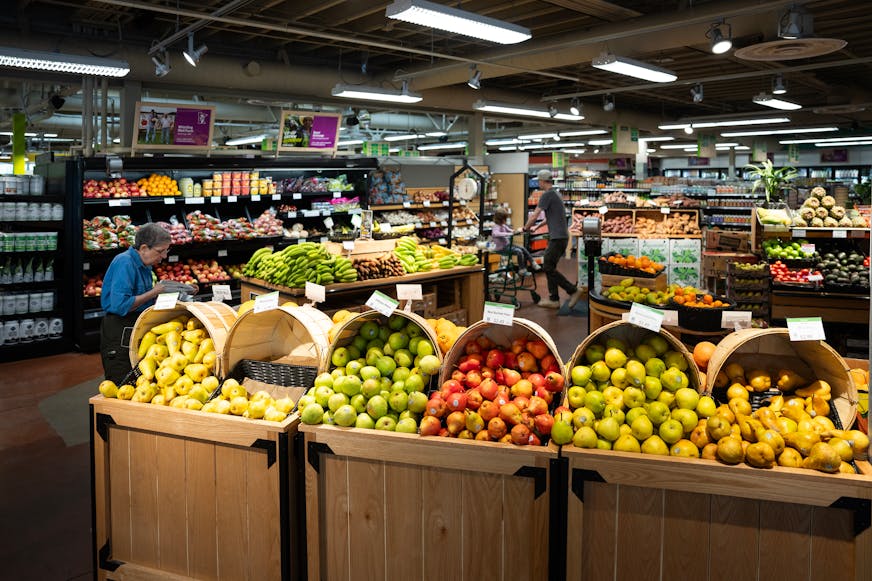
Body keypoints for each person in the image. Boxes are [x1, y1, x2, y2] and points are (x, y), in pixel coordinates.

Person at [100, 223, 172, 383]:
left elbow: (143, 299)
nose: (164, 256)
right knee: (122, 379)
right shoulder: (124, 263)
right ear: (144, 248)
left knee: (138, 379)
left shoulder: (145, 266)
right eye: (161, 251)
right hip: (119, 329)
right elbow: (121, 305)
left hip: (136, 325)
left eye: (167, 250)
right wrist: (154, 292)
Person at [521, 169, 584, 309]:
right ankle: (554, 299)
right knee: (551, 266)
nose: (538, 183)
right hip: (560, 237)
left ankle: (572, 291)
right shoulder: (556, 194)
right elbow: (550, 217)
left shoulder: (547, 195)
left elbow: (535, 215)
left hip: (557, 237)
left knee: (548, 266)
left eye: (539, 181)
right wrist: (536, 228)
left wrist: (524, 228)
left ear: (543, 181)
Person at [491, 207, 540, 275]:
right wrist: (510, 234)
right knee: (519, 251)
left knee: (523, 248)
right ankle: (522, 269)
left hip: (507, 246)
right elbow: (496, 234)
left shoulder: (503, 226)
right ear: (500, 219)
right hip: (501, 249)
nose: (505, 220)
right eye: (504, 219)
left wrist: (518, 231)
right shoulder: (496, 227)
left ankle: (533, 263)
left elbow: (511, 231)